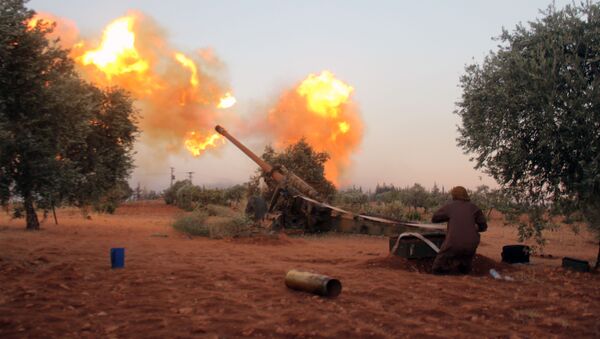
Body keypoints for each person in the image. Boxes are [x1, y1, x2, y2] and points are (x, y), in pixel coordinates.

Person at [430, 186, 487, 275]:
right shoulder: (475, 208)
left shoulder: (450, 207)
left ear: (454, 195)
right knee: (465, 268)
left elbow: (434, 219)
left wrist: (448, 218)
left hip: (453, 243)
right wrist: (474, 227)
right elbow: (483, 227)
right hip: (471, 244)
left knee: (437, 268)